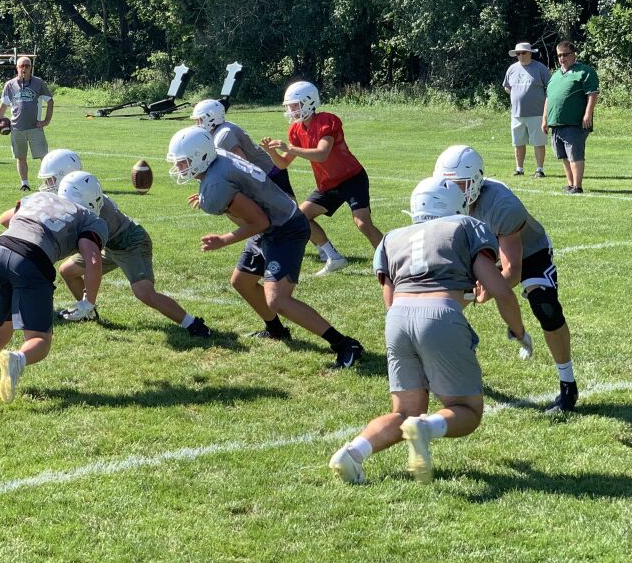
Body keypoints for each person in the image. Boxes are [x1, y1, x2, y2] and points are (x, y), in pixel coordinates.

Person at [328, 178, 530, 485]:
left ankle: (352, 453)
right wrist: (518, 331)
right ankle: (427, 428)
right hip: (439, 316)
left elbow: (390, 299)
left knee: (404, 411)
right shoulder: (464, 225)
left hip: (397, 320)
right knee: (466, 410)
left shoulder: (392, 238)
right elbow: (500, 289)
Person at [167, 126, 363, 365]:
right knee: (242, 281)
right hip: (275, 221)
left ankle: (344, 344)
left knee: (278, 300)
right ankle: (276, 330)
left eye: (184, 162)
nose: (179, 168)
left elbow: (259, 222)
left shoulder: (217, 182)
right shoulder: (217, 159)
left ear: (201, 156)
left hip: (284, 228)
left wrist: (223, 239)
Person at [435, 145, 580, 411]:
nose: (454, 191)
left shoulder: (502, 205)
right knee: (443, 301)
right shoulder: (441, 200)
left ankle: (567, 385)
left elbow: (512, 270)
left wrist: (486, 291)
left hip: (530, 251)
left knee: (545, 306)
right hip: (482, 249)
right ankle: (432, 360)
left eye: (460, 184)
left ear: (476, 180)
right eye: (449, 184)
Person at [0, 178, 108, 402]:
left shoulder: (41, 196)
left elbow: (5, 218)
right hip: (31, 259)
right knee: (40, 339)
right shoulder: (90, 218)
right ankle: (18, 359)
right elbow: (92, 258)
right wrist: (88, 301)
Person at [55, 168, 211, 338]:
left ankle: (193, 324)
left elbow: (91, 256)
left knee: (144, 293)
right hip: (109, 245)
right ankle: (88, 313)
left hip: (131, 243)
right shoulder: (90, 197)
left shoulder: (94, 213)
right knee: (67, 271)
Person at [260, 81, 382, 276]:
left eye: (294, 105)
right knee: (299, 217)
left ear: (309, 102)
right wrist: (271, 152)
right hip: (328, 183)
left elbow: (321, 153)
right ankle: (333, 257)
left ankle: (388, 259)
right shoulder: (296, 130)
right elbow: (283, 164)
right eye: (289, 106)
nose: (291, 110)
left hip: (351, 177)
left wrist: (289, 148)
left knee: (363, 223)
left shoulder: (327, 120)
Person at [192, 99, 293, 197]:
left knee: (290, 211)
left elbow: (243, 164)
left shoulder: (224, 134)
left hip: (269, 173)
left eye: (199, 120)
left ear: (211, 118)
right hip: (261, 174)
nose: (197, 124)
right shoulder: (220, 130)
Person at [542, 41, 599, 194]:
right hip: (556, 122)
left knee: (575, 155)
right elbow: (549, 97)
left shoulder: (584, 71)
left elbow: (592, 94)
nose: (562, 58)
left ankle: (578, 186)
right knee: (563, 156)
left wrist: (588, 114)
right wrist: (544, 118)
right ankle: (570, 183)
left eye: (565, 55)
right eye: (559, 55)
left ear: (573, 54)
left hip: (574, 122)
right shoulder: (555, 75)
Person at [0, 56, 52, 191]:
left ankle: (50, 183)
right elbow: (4, 104)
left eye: (27, 66)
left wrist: (46, 121)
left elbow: (50, 101)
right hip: (16, 127)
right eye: (22, 66)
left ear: (31, 68)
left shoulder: (38, 83)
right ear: (17, 68)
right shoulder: (10, 85)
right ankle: (24, 183)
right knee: (20, 157)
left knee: (44, 157)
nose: (25, 68)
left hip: (35, 127)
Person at [502, 43, 550, 178]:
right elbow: (507, 87)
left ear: (530, 53)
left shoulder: (540, 68)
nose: (520, 56)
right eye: (518, 53)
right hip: (517, 114)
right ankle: (519, 169)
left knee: (538, 142)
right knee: (518, 143)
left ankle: (539, 169)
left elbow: (550, 88)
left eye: (523, 53)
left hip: (537, 113)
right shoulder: (512, 69)